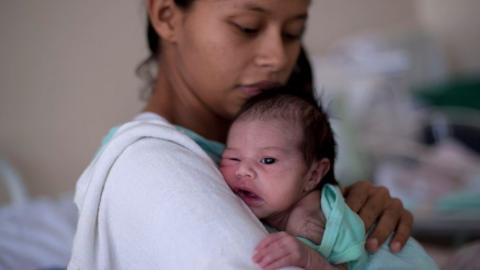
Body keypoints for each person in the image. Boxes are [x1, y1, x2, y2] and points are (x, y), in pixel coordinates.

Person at [68, 0, 414, 269]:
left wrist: (355, 214)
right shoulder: (152, 164)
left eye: (293, 32)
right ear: (167, 16)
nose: (278, 58)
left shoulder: (280, 149)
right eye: (247, 27)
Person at [220, 89, 437, 270]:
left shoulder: (311, 218)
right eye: (233, 158)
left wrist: (307, 258)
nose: (243, 170)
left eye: (267, 160)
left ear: (313, 175)